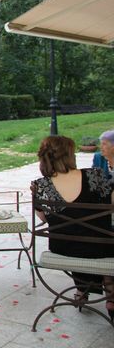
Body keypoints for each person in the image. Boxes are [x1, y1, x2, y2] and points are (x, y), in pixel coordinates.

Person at [32, 135, 114, 318]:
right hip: (101, 248)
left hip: (62, 247)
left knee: (76, 234)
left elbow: (44, 219)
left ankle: (83, 289)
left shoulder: (40, 185)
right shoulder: (95, 175)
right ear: (70, 155)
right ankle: (111, 292)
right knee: (99, 239)